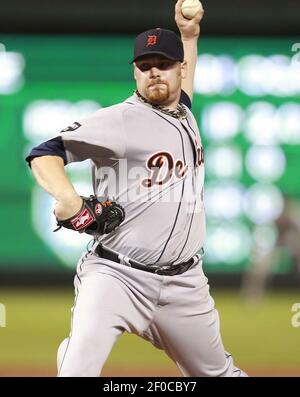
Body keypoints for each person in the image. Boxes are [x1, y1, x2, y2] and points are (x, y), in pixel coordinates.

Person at [26, 0, 247, 377]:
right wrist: (68, 198)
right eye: (145, 67)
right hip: (116, 276)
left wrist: (190, 36)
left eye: (163, 64)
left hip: (185, 284)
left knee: (220, 375)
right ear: (135, 72)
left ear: (181, 69)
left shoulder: (184, 112)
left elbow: (184, 91)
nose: (154, 73)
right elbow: (45, 152)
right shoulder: (121, 120)